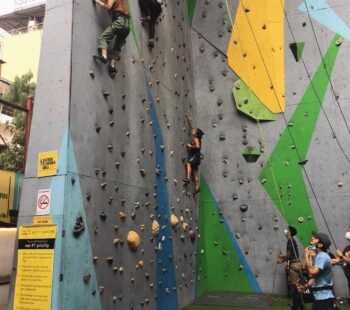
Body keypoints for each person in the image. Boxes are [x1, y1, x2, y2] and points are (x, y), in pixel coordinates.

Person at [298, 231, 336, 310]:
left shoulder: (322, 256)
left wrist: (306, 256)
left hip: (324, 299)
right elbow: (315, 278)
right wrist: (305, 287)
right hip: (320, 297)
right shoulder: (318, 256)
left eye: (315, 238)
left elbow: (312, 273)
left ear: (320, 245)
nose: (312, 238)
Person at [93, 0, 130, 77]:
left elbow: (108, 6)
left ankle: (104, 56)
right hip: (127, 26)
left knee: (103, 38)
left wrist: (98, 2)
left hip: (119, 22)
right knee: (117, 47)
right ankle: (112, 67)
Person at [277, 226, 305, 310]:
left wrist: (281, 261)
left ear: (290, 232)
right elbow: (291, 254)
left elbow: (289, 255)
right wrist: (283, 256)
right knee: (296, 288)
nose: (285, 230)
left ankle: (297, 307)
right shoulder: (292, 241)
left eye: (287, 229)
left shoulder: (290, 241)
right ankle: (297, 307)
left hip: (294, 265)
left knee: (296, 289)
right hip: (297, 264)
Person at [182, 115, 203, 194]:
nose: (193, 131)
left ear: (196, 134)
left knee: (188, 164)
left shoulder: (196, 139)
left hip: (195, 157)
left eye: (195, 131)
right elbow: (193, 127)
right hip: (197, 159)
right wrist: (188, 119)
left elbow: (197, 146)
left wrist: (190, 145)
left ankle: (187, 178)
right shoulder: (198, 138)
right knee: (194, 172)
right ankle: (197, 188)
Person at [332, 226, 350, 298]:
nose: (347, 233)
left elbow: (343, 258)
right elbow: (339, 260)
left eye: (349, 231)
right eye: (347, 231)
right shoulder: (347, 248)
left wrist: (342, 256)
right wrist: (328, 260)